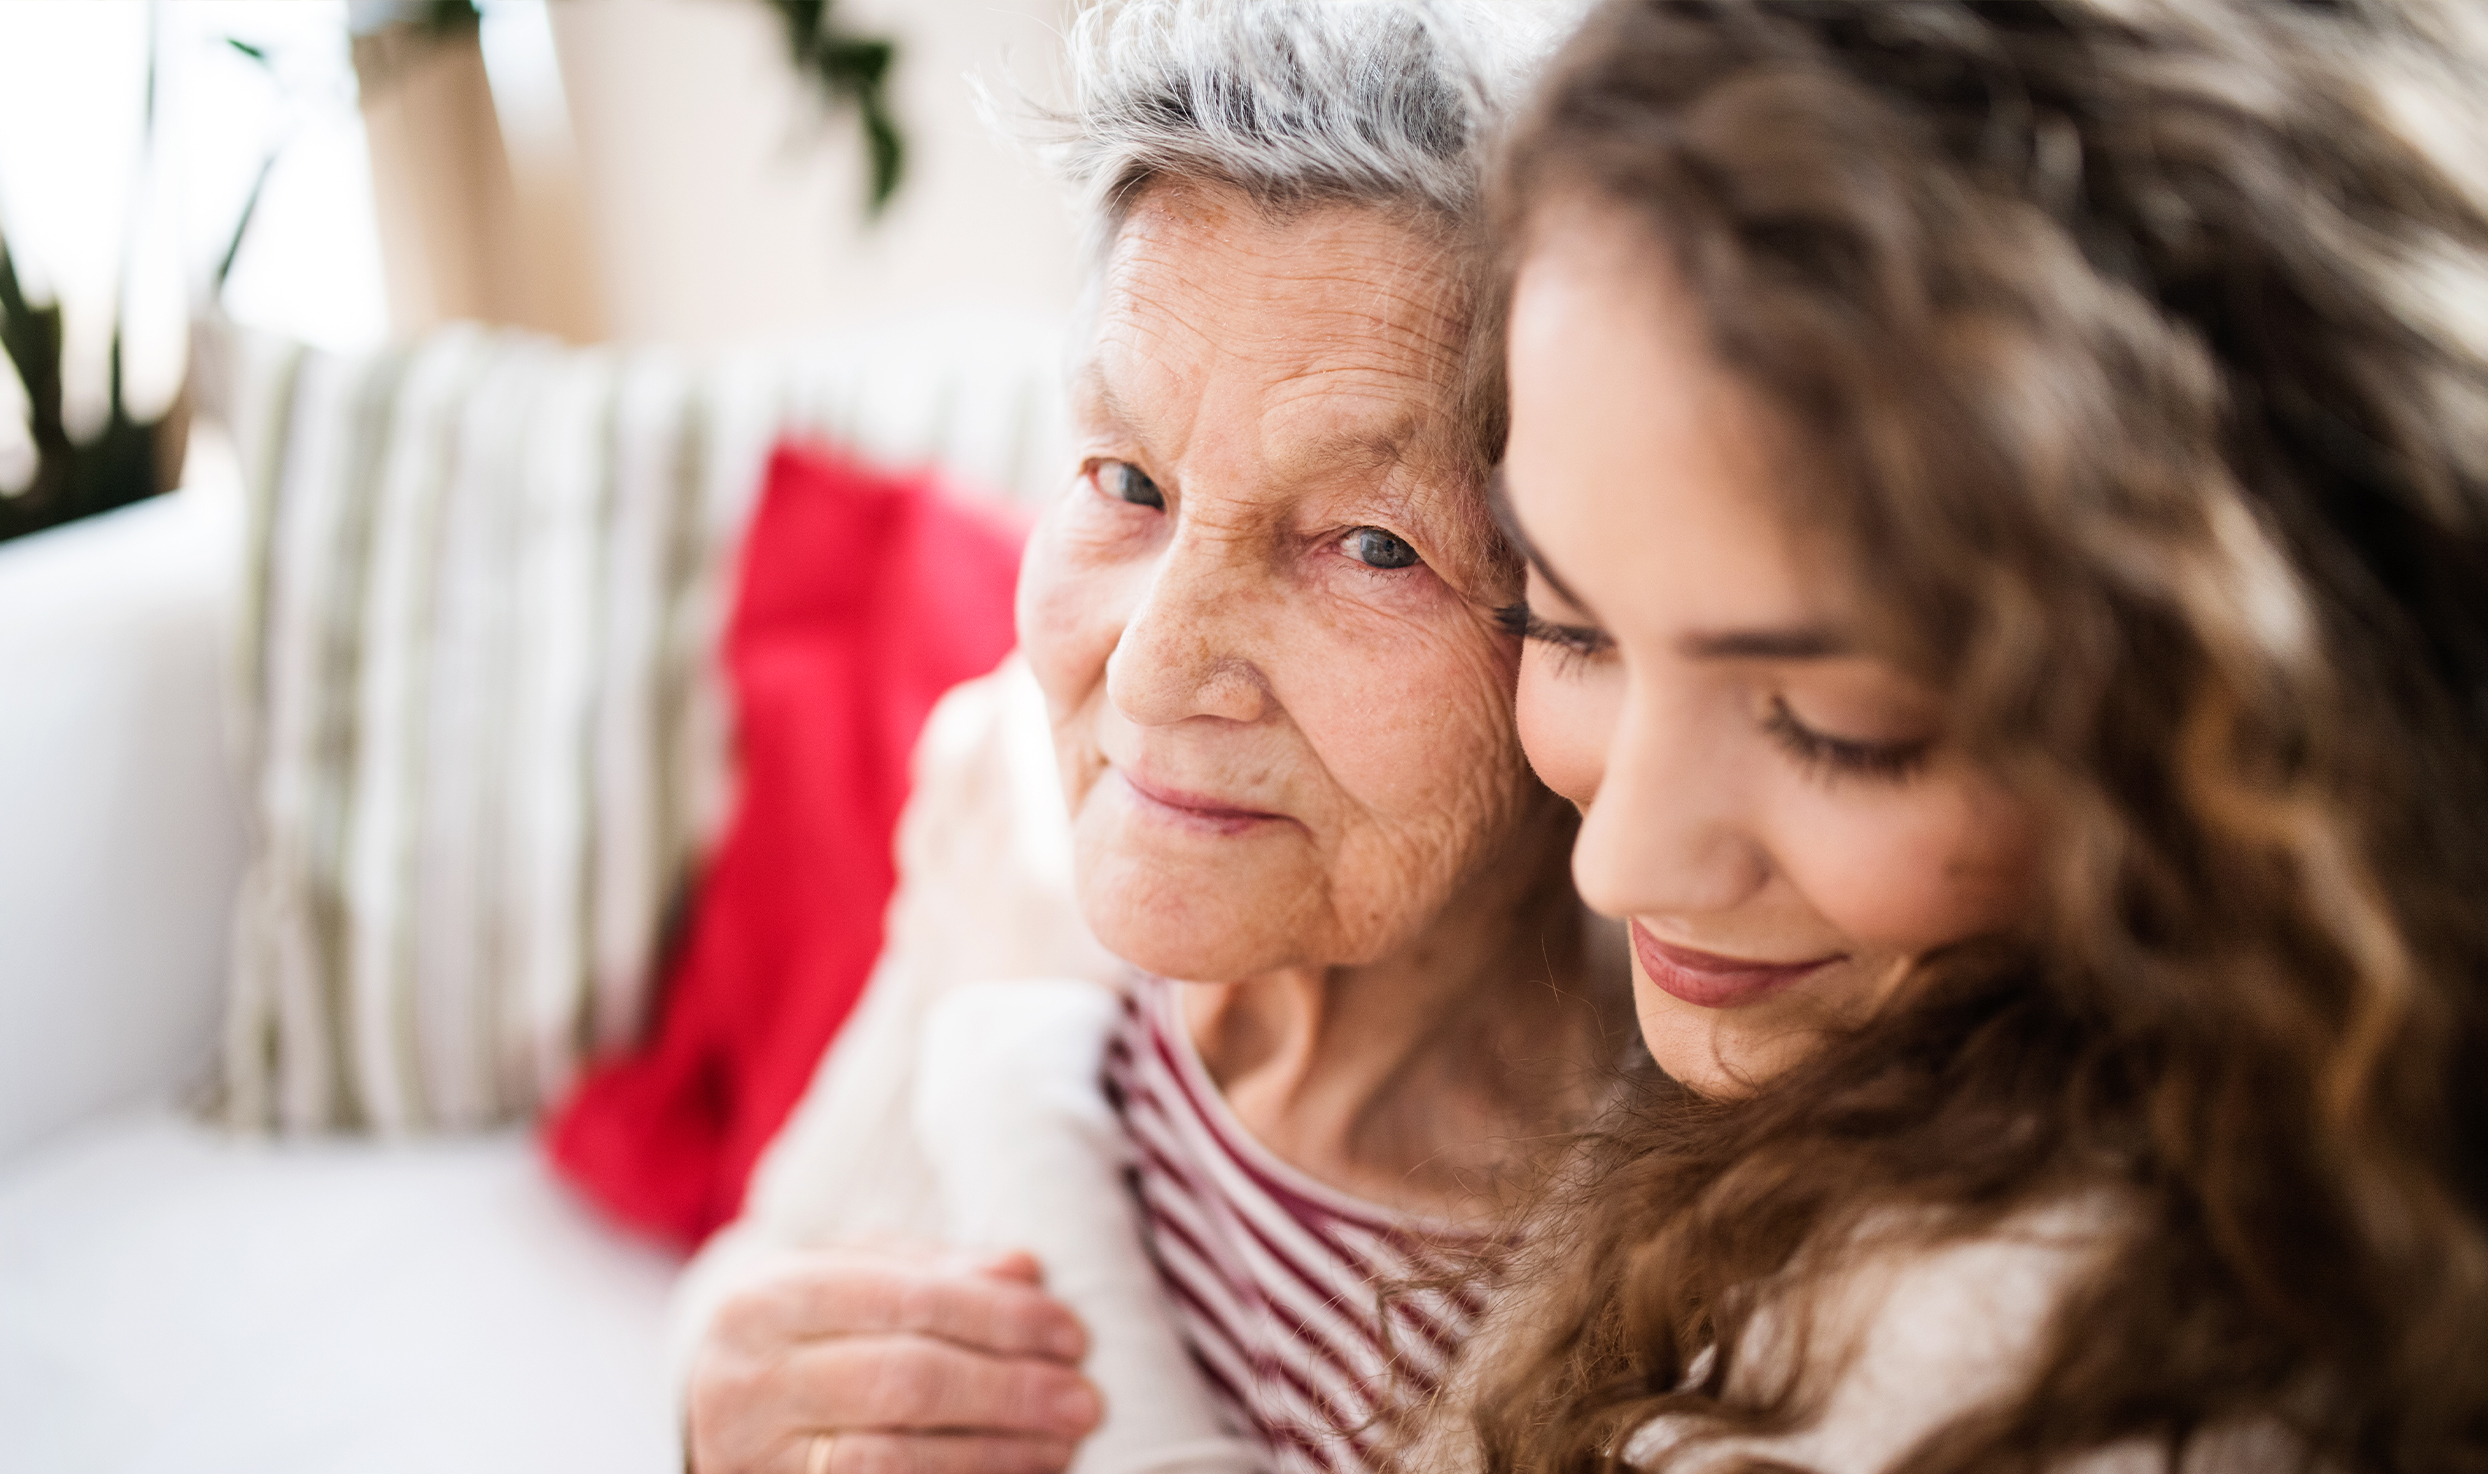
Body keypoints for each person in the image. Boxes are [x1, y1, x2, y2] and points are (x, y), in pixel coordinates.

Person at [1451, 1, 2488, 1470]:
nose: (1616, 859)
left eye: (1841, 725)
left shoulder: (2015, 1355)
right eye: (1568, 624)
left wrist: (1024, 1110)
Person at [677, 6, 1630, 1474]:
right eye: (1125, 475)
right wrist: (721, 1410)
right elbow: (772, 1262)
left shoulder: (1634, 1282)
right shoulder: (1010, 829)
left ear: (1588, 625)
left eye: (1373, 545)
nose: (1154, 664)